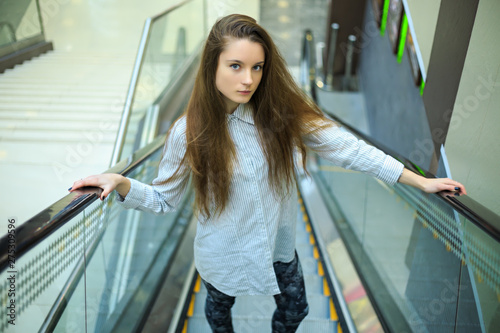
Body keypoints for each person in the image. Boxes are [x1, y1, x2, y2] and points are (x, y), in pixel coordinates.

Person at [69, 14, 466, 333]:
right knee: (219, 314)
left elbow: (350, 150)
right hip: (221, 257)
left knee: (296, 310)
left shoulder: (281, 114)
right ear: (212, 67)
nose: (248, 79)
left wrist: (419, 180)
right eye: (236, 66)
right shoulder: (188, 131)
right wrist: (120, 181)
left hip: (279, 248)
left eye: (257, 67)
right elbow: (163, 199)